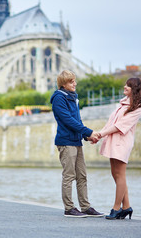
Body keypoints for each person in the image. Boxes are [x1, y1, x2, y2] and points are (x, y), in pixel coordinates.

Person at [50, 70, 103, 218]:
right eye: (71, 81)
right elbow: (68, 121)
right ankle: (69, 208)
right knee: (69, 175)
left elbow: (77, 121)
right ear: (63, 84)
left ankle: (85, 207)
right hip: (66, 142)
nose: (75, 83)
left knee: (82, 175)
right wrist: (89, 132)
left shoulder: (72, 97)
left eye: (74, 80)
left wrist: (87, 137)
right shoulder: (59, 98)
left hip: (76, 141)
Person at [98, 77, 141, 220]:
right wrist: (98, 136)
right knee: (115, 174)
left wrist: (100, 134)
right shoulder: (123, 104)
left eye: (128, 86)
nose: (125, 87)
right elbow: (111, 122)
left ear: (134, 90)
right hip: (114, 141)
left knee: (120, 175)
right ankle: (126, 207)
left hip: (122, 142)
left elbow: (120, 126)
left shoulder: (137, 106)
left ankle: (116, 208)